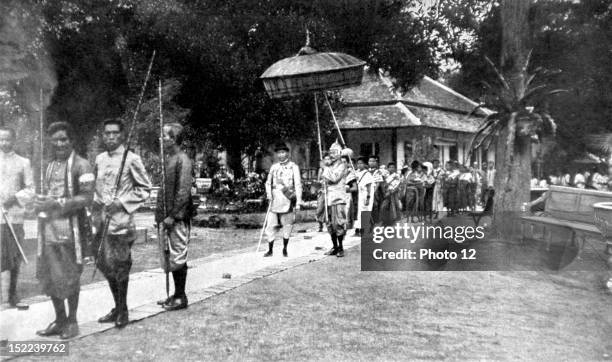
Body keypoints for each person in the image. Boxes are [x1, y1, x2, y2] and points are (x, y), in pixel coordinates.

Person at [34, 122, 94, 339]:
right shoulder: (49, 166)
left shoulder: (82, 165)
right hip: (48, 230)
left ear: (71, 141)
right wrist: (38, 201)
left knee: (69, 276)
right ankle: (59, 319)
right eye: (55, 140)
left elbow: (87, 198)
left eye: (63, 139)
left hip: (71, 230)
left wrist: (57, 203)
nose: (59, 144)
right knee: (50, 276)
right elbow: (44, 195)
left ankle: (72, 321)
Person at [94, 118, 151, 328]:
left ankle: (123, 309)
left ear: (121, 135)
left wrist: (121, 202)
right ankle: (116, 306)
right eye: (107, 133)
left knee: (120, 266)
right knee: (102, 263)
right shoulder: (99, 159)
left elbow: (144, 188)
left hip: (121, 223)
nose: (110, 137)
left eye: (114, 133)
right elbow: (96, 189)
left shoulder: (131, 159)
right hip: (102, 221)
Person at [155, 123, 195, 311]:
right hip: (166, 217)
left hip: (177, 218)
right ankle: (175, 294)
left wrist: (173, 215)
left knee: (178, 254)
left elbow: (183, 192)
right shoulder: (169, 159)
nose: (162, 138)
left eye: (165, 135)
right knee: (169, 255)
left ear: (174, 138)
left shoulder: (183, 160)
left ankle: (181, 296)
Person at [0, 126, 34, 308]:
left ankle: (12, 294)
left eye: (7, 139)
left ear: (14, 140)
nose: (4, 143)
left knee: (14, 256)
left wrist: (14, 198)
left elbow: (30, 189)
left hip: (14, 217)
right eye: (1, 139)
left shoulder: (23, 162)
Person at [263, 142, 302, 257]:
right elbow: (268, 183)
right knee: (270, 225)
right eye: (279, 153)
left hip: (287, 198)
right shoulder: (274, 167)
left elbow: (298, 185)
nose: (281, 155)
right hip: (275, 200)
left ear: (287, 153)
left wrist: (298, 201)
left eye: (283, 152)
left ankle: (285, 248)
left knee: (287, 225)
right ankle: (270, 250)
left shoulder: (293, 167)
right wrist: (269, 194)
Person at [321, 141, 348, 257]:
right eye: (331, 152)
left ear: (339, 153)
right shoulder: (330, 165)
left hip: (338, 198)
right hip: (328, 197)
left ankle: (341, 247)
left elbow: (334, 178)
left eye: (334, 152)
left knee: (338, 223)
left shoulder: (342, 165)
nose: (332, 155)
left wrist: (325, 168)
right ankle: (335, 246)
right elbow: (325, 181)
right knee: (329, 223)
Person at [354, 157, 374, 236]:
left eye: (361, 163)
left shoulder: (367, 173)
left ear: (365, 164)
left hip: (366, 194)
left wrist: (368, 197)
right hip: (360, 194)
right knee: (360, 212)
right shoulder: (357, 173)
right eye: (358, 163)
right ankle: (359, 229)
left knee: (365, 211)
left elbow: (369, 186)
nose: (359, 165)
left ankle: (365, 230)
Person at [315, 155, 331, 232]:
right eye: (326, 159)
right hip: (322, 191)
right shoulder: (321, 170)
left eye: (328, 159)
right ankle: (320, 224)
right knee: (320, 208)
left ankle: (329, 225)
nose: (327, 160)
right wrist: (320, 183)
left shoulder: (332, 169)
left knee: (329, 208)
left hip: (330, 191)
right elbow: (318, 181)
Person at [367, 155, 384, 224]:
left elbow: (378, 183)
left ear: (376, 162)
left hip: (375, 191)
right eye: (370, 161)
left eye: (373, 161)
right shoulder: (366, 171)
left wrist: (373, 191)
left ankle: (376, 222)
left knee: (375, 206)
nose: (371, 163)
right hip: (367, 191)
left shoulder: (378, 172)